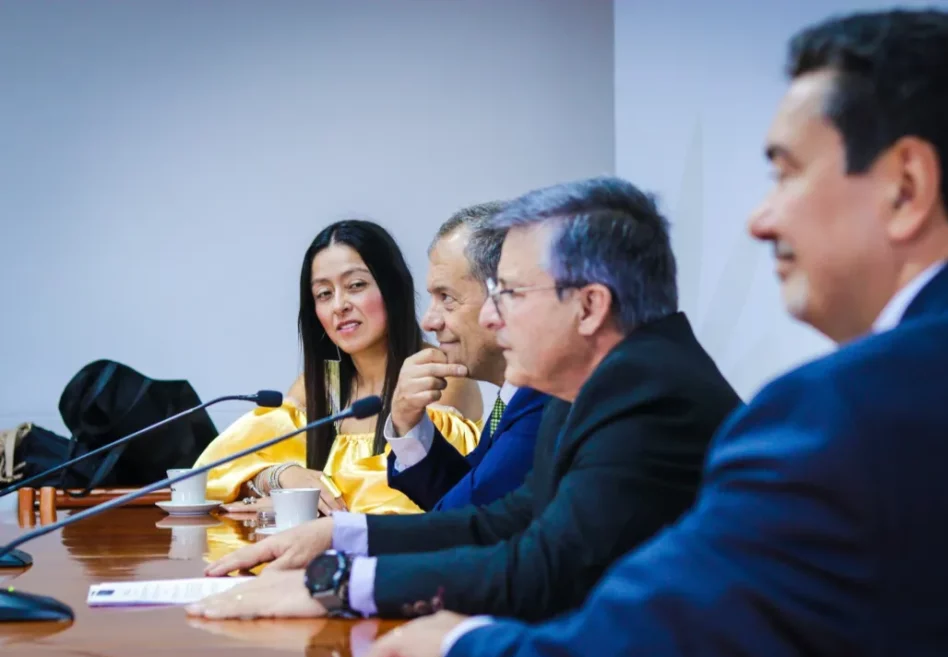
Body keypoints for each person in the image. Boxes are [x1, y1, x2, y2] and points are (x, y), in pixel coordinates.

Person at [350, 9, 948, 657]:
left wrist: (459, 646)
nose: (762, 220)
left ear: (905, 185)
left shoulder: (841, 412)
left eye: (786, 173)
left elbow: (633, 649)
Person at [185, 177, 741, 622]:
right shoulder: (602, 386)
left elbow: (543, 568)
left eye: (512, 295)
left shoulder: (647, 398)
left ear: (590, 306)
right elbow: (504, 521)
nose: (494, 319)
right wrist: (339, 534)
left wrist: (338, 586)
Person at [191, 220, 482, 516]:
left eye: (356, 286)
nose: (339, 305)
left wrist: (296, 502)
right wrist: (281, 476)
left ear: (392, 287)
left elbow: (407, 494)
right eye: (324, 294)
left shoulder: (437, 372)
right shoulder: (320, 385)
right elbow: (218, 469)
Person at [384, 201, 550, 511]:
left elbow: (463, 520)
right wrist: (408, 424)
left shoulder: (546, 397)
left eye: (446, 298)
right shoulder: (511, 397)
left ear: (506, 294)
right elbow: (465, 490)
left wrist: (342, 537)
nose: (429, 322)